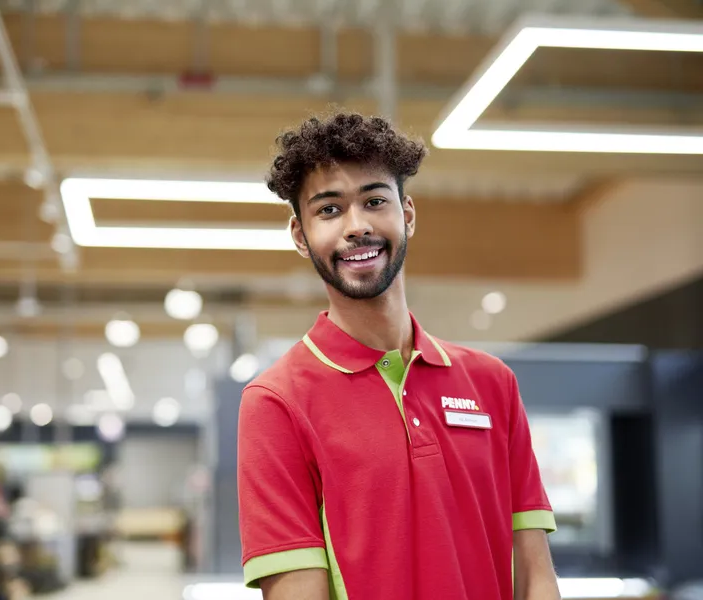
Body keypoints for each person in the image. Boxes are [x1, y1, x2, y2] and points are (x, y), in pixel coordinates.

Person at [236, 112, 560, 600]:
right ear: (300, 236)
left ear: (406, 214)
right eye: (328, 210)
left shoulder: (493, 384)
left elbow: (534, 575)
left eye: (374, 201)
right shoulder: (275, 403)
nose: (357, 226)